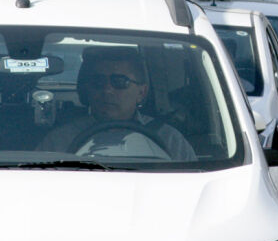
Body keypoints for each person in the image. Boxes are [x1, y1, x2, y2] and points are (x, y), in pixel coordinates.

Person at [37, 47, 197, 161]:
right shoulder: (59, 141)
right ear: (88, 89)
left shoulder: (170, 140)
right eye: (98, 81)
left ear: (141, 92)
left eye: (120, 82)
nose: (107, 90)